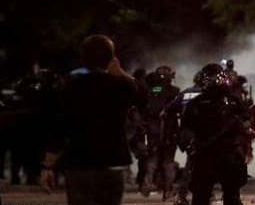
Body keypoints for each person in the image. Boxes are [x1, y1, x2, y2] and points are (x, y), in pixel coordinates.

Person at [40, 34, 139, 205]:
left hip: (80, 163)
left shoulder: (71, 87)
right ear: (112, 58)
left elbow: (59, 129)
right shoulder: (121, 86)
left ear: (83, 58)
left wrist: (48, 166)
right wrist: (121, 73)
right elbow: (143, 95)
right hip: (113, 162)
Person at [180, 63, 251, 205]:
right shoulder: (198, 103)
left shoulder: (230, 102)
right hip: (209, 152)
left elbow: (246, 120)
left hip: (223, 152)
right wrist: (190, 144)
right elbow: (185, 128)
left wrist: (244, 127)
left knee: (228, 195)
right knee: (203, 195)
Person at [138, 65, 181, 198]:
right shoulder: (174, 91)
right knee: (168, 160)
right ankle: (168, 189)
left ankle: (147, 182)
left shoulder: (150, 90)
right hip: (169, 130)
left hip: (152, 130)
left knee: (153, 157)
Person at [165, 69, 205, 205]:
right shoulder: (207, 93)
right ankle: (186, 194)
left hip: (186, 134)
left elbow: (170, 108)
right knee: (199, 164)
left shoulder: (185, 92)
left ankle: (184, 195)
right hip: (201, 134)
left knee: (192, 162)